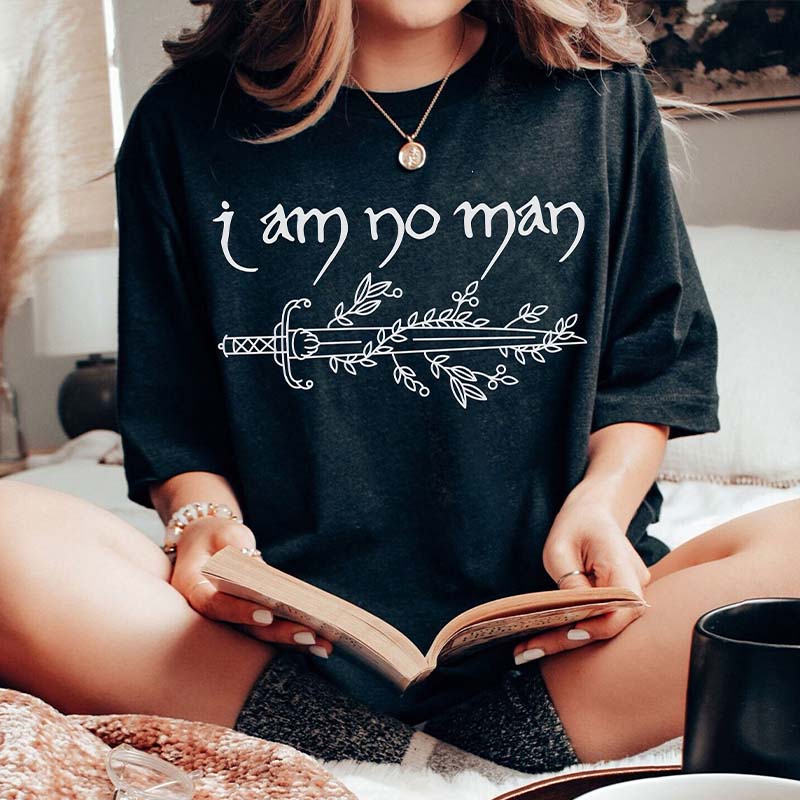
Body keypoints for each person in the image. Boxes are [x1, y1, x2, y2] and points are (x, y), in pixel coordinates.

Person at [1, 0, 798, 777]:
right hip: (270, 647)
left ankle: (502, 736)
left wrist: (603, 505)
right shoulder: (183, 122)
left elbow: (651, 361)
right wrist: (204, 523)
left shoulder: (596, 98)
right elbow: (172, 410)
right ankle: (366, 744)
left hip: (564, 644)